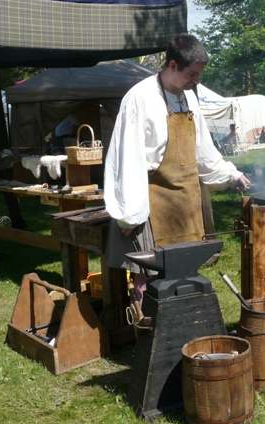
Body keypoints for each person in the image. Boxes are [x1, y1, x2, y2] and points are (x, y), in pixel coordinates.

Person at [103, 34, 251, 310]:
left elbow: (203, 149)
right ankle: (147, 328)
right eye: (192, 74)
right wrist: (129, 215)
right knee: (147, 279)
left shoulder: (189, 98)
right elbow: (127, 159)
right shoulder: (140, 99)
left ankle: (186, 322)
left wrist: (230, 174)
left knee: (186, 273)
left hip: (185, 203)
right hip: (152, 204)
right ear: (172, 65)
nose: (196, 80)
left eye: (199, 74)